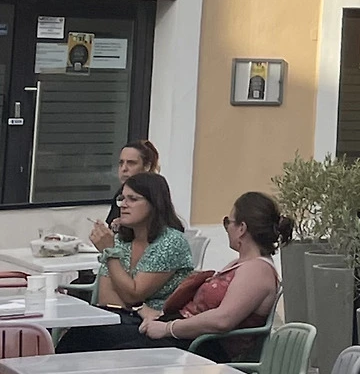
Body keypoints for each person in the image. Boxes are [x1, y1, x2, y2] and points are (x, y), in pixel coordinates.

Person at [139, 191, 288, 360]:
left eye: (228, 222)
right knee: (120, 333)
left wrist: (168, 328)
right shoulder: (242, 264)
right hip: (187, 340)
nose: (227, 229)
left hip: (199, 349)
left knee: (120, 347)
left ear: (242, 228)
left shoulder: (257, 270)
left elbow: (223, 320)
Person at [60, 173, 193, 352]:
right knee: (79, 334)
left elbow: (134, 294)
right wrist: (139, 307)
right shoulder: (121, 240)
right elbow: (107, 297)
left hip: (157, 325)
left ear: (154, 203)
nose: (123, 205)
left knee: (86, 338)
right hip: (126, 317)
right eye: (122, 198)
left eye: (133, 199)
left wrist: (110, 253)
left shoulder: (171, 241)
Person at [104, 138, 160, 228]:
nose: (124, 168)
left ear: (147, 167)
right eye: (121, 163)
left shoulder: (156, 193)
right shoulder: (120, 192)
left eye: (131, 163)